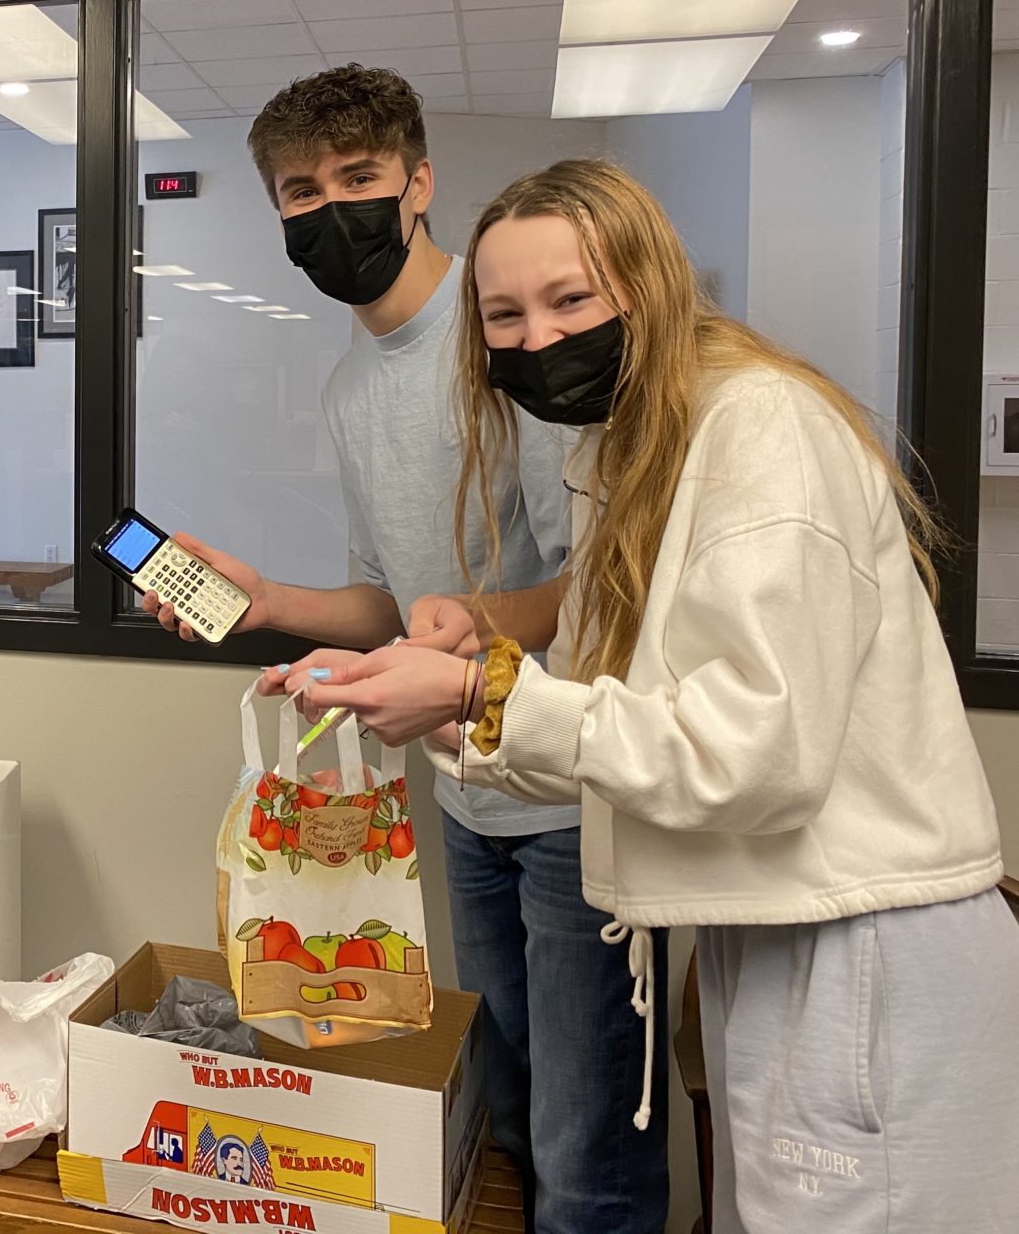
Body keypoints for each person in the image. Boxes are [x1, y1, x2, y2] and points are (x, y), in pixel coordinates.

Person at [281, 159, 1015, 1233]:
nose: (536, 340)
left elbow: (750, 754)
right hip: (765, 917)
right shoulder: (632, 446)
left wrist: (486, 695)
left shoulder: (757, 427)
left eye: (569, 300)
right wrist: (460, 698)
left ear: (650, 283)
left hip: (862, 939)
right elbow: (600, 701)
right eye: (503, 316)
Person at [146, 67, 666, 1233]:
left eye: (358, 178)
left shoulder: (514, 349)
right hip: (463, 794)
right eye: (299, 190)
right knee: (517, 1122)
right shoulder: (345, 387)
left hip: (576, 797)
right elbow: (390, 603)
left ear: (418, 183)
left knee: (587, 1155)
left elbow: (594, 584)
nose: (329, 209)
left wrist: (468, 631)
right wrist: (265, 596)